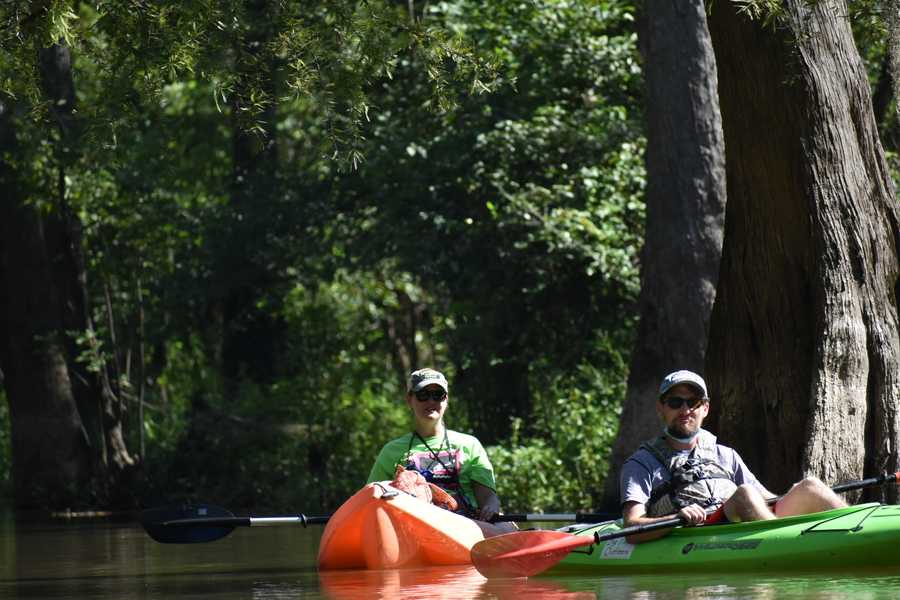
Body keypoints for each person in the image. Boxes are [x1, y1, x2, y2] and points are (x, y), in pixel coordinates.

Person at [620, 369, 846, 543]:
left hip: (743, 520)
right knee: (745, 493)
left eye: (693, 402)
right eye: (675, 402)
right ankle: (786, 544)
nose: (685, 409)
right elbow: (631, 528)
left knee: (811, 486)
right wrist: (675, 518)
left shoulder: (724, 454)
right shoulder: (641, 463)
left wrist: (793, 496)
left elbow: (767, 498)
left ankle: (856, 531)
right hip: (701, 531)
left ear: (705, 409)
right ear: (661, 408)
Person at [367, 368, 516, 535]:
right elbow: (372, 500)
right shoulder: (391, 451)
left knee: (506, 526)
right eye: (423, 394)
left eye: (438, 395)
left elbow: (488, 497)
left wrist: (491, 509)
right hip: (415, 530)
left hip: (467, 528)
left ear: (446, 400)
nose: (431, 401)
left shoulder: (469, 444)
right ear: (410, 399)